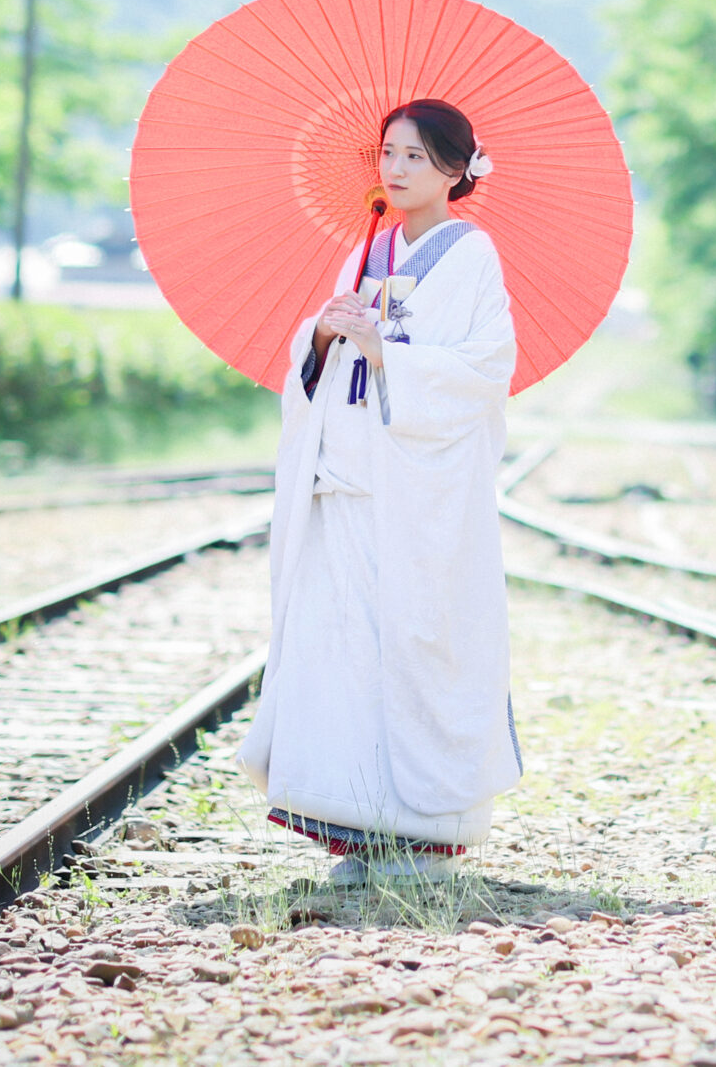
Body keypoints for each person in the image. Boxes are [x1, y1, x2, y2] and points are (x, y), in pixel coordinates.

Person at [239, 98, 522, 884]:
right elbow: (319, 363)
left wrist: (392, 353)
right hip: (349, 486)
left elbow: (483, 370)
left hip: (419, 498)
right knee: (344, 658)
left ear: (457, 171)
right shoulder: (368, 249)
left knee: (415, 646)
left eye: (416, 158)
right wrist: (326, 334)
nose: (395, 170)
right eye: (389, 154)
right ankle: (356, 831)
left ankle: (422, 839)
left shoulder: (472, 255)